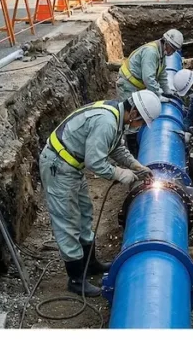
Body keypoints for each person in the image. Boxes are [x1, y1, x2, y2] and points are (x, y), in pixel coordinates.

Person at [39, 91, 161, 297]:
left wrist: (136, 166)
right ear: (135, 114)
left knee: (85, 213)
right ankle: (76, 279)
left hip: (71, 167)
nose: (139, 127)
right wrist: (121, 173)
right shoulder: (107, 122)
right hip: (58, 166)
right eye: (141, 123)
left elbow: (116, 149)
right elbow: (95, 162)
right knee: (68, 220)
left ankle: (91, 263)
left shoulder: (116, 116)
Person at [116, 29, 183, 101]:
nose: (173, 52)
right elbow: (148, 78)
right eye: (172, 48)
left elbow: (162, 74)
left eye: (175, 50)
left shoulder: (161, 52)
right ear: (166, 42)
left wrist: (167, 90)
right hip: (127, 85)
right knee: (129, 111)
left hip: (136, 85)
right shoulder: (151, 52)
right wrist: (158, 95)